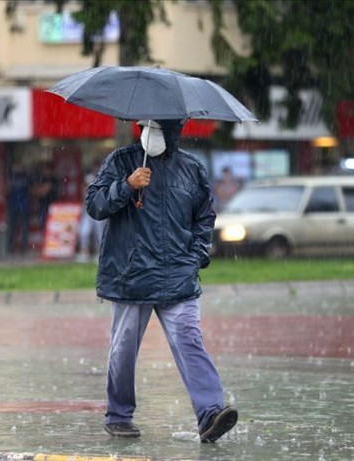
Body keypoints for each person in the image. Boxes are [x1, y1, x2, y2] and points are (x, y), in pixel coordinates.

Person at [86, 119, 238, 443]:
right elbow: (95, 205)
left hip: (178, 276)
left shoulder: (191, 169)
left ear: (175, 131)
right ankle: (119, 415)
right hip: (131, 276)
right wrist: (127, 185)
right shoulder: (121, 161)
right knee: (123, 349)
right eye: (146, 127)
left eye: (159, 128)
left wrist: (196, 255)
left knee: (190, 340)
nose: (151, 134)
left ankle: (210, 413)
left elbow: (204, 217)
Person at [76, 171, 105, 263]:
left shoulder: (100, 190)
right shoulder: (84, 192)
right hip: (87, 214)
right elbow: (83, 205)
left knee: (100, 234)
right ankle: (84, 252)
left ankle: (100, 254)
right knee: (84, 232)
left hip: (98, 214)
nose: (88, 186)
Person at [6, 161, 32, 254]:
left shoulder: (15, 178)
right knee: (16, 227)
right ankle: (14, 247)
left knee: (18, 227)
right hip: (18, 205)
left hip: (19, 205)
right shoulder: (25, 178)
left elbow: (7, 190)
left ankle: (15, 247)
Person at [32, 162, 59, 233]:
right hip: (42, 204)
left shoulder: (53, 180)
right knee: (42, 223)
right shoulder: (40, 179)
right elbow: (35, 191)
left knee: (52, 224)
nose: (45, 171)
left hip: (52, 205)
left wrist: (41, 189)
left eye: (47, 169)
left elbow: (44, 190)